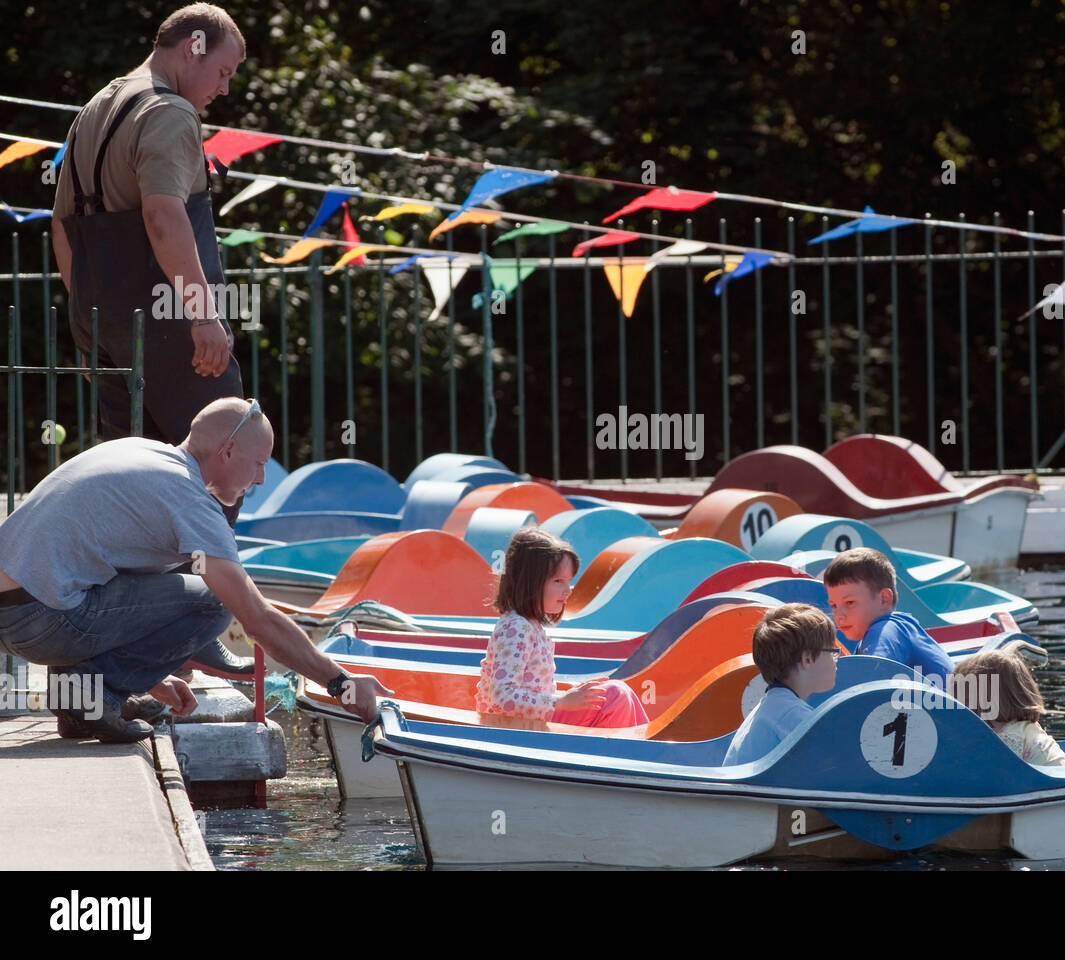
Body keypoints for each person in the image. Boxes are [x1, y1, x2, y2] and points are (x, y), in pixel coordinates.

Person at [0, 398, 391, 743]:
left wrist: (149, 676)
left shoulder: (140, 451)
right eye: (258, 464)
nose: (260, 479)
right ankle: (99, 696)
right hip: (41, 618)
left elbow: (101, 573)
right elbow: (256, 620)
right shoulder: (189, 498)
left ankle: (79, 704)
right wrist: (342, 685)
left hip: (16, 615)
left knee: (166, 585)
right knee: (213, 603)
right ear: (227, 451)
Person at [50, 4, 245, 467]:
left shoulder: (94, 107)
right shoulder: (169, 111)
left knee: (133, 474)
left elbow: (63, 224)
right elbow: (162, 216)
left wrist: (89, 327)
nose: (224, 88)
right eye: (222, 71)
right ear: (192, 47)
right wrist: (202, 316)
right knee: (222, 461)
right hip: (168, 318)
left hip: (104, 322)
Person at [475, 529, 648, 728]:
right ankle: (636, 749)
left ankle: (646, 739)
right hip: (511, 727)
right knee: (614, 696)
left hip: (528, 722)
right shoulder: (516, 628)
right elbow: (502, 697)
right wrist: (562, 702)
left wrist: (567, 698)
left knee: (613, 689)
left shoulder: (529, 625)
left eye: (569, 582)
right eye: (558, 581)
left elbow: (533, 692)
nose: (567, 591)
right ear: (530, 582)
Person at [723, 603, 839, 766]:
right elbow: (831, 762)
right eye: (832, 652)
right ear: (807, 659)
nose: (836, 660)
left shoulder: (774, 704)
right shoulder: (790, 713)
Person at [823, 547, 954, 683]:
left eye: (849, 602)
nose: (839, 615)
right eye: (834, 605)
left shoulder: (886, 629)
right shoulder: (880, 635)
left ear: (884, 599)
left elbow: (870, 683)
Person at [948, 650, 1065, 766]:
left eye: (958, 701)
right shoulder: (1024, 728)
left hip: (1060, 788)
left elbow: (994, 774)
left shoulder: (1009, 739)